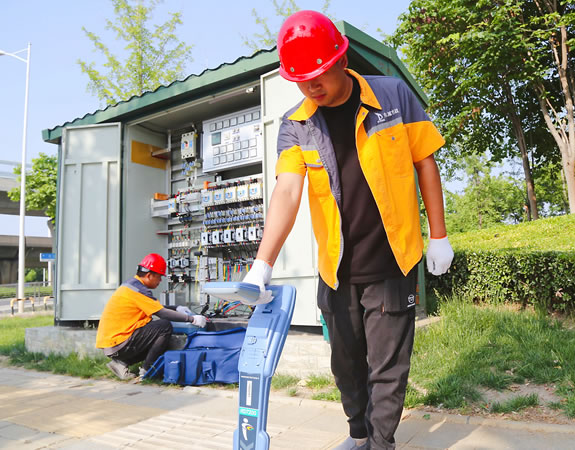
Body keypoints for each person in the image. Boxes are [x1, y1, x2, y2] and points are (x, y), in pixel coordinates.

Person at [242, 10, 454, 450]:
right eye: (300, 80)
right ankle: (359, 437)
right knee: (345, 366)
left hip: (391, 261)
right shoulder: (296, 124)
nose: (310, 87)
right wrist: (262, 264)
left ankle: (380, 444)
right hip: (336, 268)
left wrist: (439, 235)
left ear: (340, 59)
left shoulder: (393, 96)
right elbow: (287, 191)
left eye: (317, 75)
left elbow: (425, 163)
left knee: (387, 368)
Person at [96, 253, 207, 380]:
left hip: (114, 344)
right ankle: (148, 371)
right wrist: (192, 319)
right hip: (119, 343)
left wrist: (176, 308)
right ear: (149, 275)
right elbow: (161, 313)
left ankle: (120, 363)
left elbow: (154, 307)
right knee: (164, 327)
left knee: (156, 338)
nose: (160, 281)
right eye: (159, 277)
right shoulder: (139, 290)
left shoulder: (132, 285)